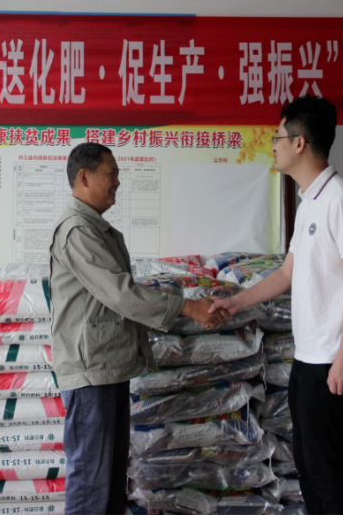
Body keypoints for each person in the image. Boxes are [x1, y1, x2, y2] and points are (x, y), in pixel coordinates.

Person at [210, 95, 343, 515]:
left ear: (300, 143)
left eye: (277, 137)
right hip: (311, 354)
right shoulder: (311, 199)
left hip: (334, 356)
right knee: (308, 461)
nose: (272, 145)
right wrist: (235, 303)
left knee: (325, 466)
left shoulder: (340, 200)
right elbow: (287, 273)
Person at [49, 142, 226, 515]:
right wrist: (189, 307)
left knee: (110, 480)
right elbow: (121, 293)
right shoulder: (77, 230)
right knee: (92, 480)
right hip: (90, 372)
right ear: (84, 177)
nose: (117, 182)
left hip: (107, 367)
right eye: (111, 174)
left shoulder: (96, 228)